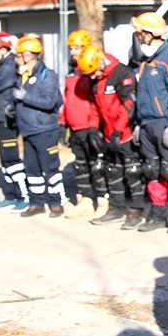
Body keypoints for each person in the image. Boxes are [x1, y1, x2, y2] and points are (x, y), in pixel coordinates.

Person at [79, 45, 146, 228]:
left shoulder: (121, 73)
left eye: (93, 73)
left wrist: (118, 131)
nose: (91, 77)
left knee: (132, 172)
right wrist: (93, 128)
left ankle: (136, 210)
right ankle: (116, 208)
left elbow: (128, 106)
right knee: (112, 171)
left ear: (101, 63)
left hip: (125, 133)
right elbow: (94, 106)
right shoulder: (95, 77)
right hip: (108, 133)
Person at [131, 12, 168, 233]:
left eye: (140, 32)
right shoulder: (144, 59)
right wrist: (136, 122)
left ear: (151, 34)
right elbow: (139, 94)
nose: (138, 36)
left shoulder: (167, 60)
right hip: (146, 123)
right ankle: (157, 212)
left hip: (163, 123)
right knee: (151, 169)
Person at [13, 35, 64, 218]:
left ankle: (56, 202)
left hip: (44, 129)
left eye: (22, 54)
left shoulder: (46, 75)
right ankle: (37, 202)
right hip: (27, 130)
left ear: (33, 55)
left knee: (50, 168)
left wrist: (24, 97)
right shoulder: (22, 76)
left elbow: (49, 102)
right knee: (32, 170)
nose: (19, 58)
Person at [0, 31, 29, 212]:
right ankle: (10, 195)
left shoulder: (8, 66)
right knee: (4, 158)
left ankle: (22, 195)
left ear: (3, 49)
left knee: (11, 157)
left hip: (6, 117)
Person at [61, 29, 107, 214]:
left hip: (90, 127)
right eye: (71, 48)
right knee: (80, 166)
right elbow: (67, 100)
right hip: (75, 127)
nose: (73, 52)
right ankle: (85, 199)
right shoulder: (71, 74)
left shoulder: (91, 73)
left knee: (96, 165)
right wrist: (62, 123)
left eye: (77, 48)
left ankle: (102, 200)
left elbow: (97, 103)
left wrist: (94, 127)